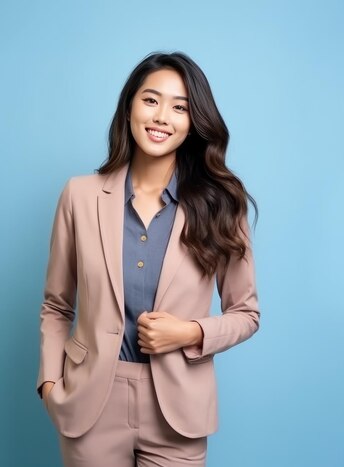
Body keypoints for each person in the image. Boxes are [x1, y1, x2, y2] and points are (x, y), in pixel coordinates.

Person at [36, 51, 260, 466]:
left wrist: (189, 333)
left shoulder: (221, 205)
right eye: (151, 100)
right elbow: (56, 305)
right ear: (129, 108)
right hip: (90, 405)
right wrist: (50, 383)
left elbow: (246, 313)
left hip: (178, 410)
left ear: (193, 123)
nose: (162, 117)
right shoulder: (79, 196)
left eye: (180, 108)